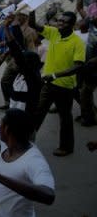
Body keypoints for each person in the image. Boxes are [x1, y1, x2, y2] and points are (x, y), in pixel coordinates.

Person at [30, 10, 86, 156]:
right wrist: (32, 9)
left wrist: (55, 75)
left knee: (65, 117)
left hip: (65, 86)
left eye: (64, 22)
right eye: (59, 20)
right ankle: (27, 142)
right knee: (38, 112)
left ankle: (66, 147)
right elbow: (32, 24)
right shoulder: (54, 32)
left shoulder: (77, 42)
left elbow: (78, 66)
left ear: (72, 25)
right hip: (48, 83)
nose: (60, 23)